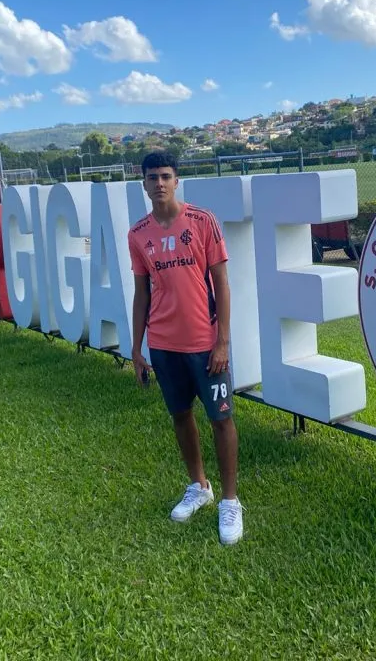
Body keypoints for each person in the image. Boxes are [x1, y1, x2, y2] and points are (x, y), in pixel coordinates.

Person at [128, 151, 243, 546]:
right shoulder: (137, 233)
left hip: (205, 344)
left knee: (221, 420)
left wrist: (222, 340)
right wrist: (136, 346)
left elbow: (223, 284)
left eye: (165, 176)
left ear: (177, 181)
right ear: (142, 184)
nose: (158, 183)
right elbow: (141, 292)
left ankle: (229, 500)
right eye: (151, 177)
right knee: (180, 416)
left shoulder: (202, 221)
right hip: (163, 344)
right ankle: (199, 486)